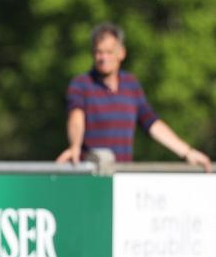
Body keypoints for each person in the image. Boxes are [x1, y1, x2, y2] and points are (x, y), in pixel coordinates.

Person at [56, 23, 211, 172]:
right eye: (99, 52)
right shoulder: (81, 84)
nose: (103, 57)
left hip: (122, 176)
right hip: (92, 176)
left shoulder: (130, 84)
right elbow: (76, 117)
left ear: (121, 53)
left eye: (109, 52)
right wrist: (75, 146)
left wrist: (187, 152)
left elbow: (151, 123)